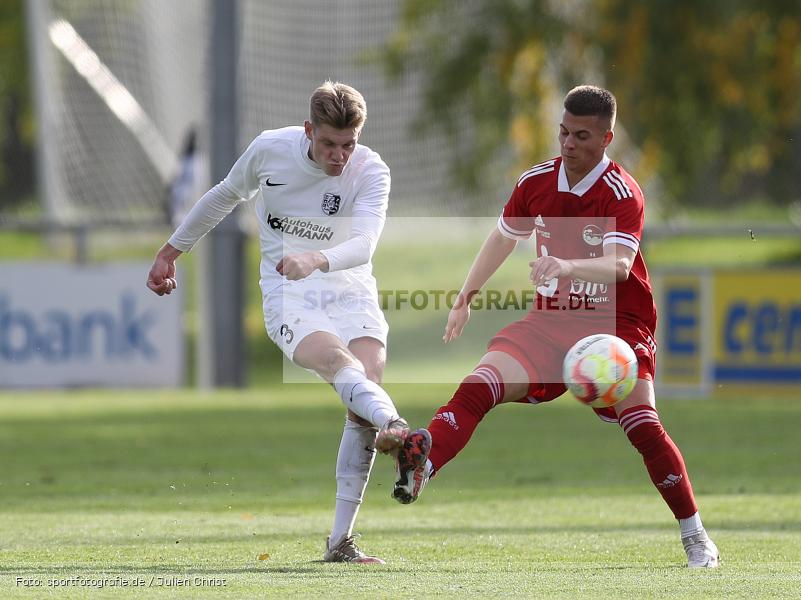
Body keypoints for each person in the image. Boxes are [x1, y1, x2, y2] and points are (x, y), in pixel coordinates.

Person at [391, 85, 719, 568]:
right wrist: (465, 296)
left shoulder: (623, 192)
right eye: (563, 131)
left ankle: (695, 535)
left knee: (642, 426)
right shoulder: (536, 181)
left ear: (606, 138)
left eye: (580, 135)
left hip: (617, 326)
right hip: (551, 321)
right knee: (482, 383)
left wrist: (565, 266)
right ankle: (424, 463)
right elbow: (503, 238)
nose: (567, 143)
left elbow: (620, 265)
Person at [147, 80, 431, 564]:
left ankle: (340, 541)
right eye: (328, 144)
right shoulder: (270, 150)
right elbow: (223, 196)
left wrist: (316, 258)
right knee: (342, 366)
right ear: (308, 131)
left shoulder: (371, 170)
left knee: (364, 394)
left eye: (348, 144)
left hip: (350, 287)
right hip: (288, 292)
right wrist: (172, 251)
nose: (339, 155)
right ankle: (400, 430)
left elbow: (363, 245)